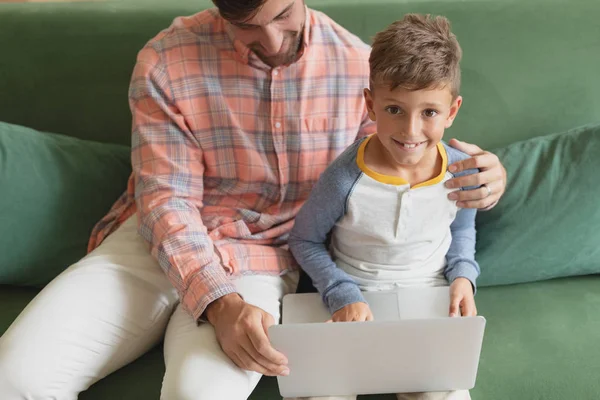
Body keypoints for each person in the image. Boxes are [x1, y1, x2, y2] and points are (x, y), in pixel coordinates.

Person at [0, 1, 506, 399]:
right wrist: (218, 302)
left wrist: (487, 174)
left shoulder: (357, 66)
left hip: (260, 256)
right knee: (14, 378)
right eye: (245, 24)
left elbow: (407, 154)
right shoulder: (166, 60)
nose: (270, 41)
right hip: (156, 242)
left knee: (200, 394)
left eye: (283, 15)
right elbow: (166, 200)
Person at [288, 13, 478, 400]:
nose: (410, 131)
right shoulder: (344, 178)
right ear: (371, 105)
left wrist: (463, 275)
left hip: (429, 300)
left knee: (446, 394)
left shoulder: (461, 171)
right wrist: (343, 294)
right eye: (394, 109)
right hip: (353, 300)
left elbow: (462, 229)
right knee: (320, 393)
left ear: (452, 111)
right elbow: (304, 240)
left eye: (429, 112)